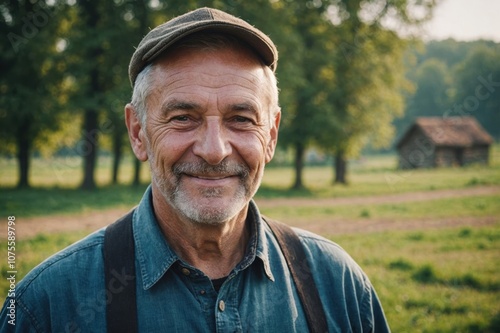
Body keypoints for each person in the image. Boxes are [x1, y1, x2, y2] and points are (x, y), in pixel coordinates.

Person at [1, 7, 390, 332]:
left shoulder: (338, 286)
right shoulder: (47, 305)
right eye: (184, 117)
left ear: (270, 135)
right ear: (138, 132)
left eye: (241, 118)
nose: (215, 151)